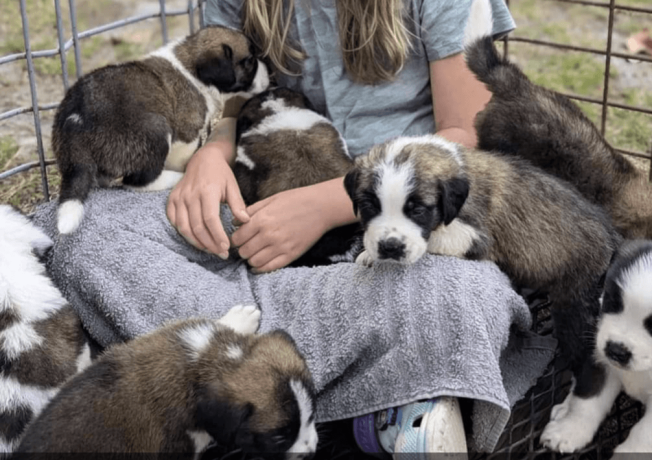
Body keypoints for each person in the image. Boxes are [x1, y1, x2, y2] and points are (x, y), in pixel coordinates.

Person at [34, 0, 533, 456]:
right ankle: (357, 379)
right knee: (78, 232)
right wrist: (213, 153)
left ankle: (231, 376)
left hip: (393, 221)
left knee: (469, 291)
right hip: (257, 197)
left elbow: (467, 136)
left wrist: (324, 204)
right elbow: (226, 94)